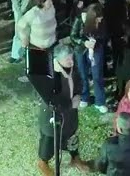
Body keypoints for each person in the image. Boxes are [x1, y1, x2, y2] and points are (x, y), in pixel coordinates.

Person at [35, 44, 92, 176]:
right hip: (53, 114)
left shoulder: (72, 68)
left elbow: (78, 82)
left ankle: (75, 158)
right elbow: (50, 99)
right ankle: (43, 161)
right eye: (68, 60)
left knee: (71, 135)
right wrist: (70, 103)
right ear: (58, 59)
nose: (71, 62)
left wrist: (78, 94)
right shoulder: (50, 75)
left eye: (71, 58)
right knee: (50, 139)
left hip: (70, 114)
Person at [71, 4, 109, 113]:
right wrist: (84, 42)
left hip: (96, 49)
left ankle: (100, 101)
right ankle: (84, 97)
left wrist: (96, 40)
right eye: (98, 18)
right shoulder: (79, 20)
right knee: (83, 74)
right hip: (81, 50)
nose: (100, 20)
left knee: (97, 75)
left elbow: (104, 36)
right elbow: (73, 36)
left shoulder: (102, 22)